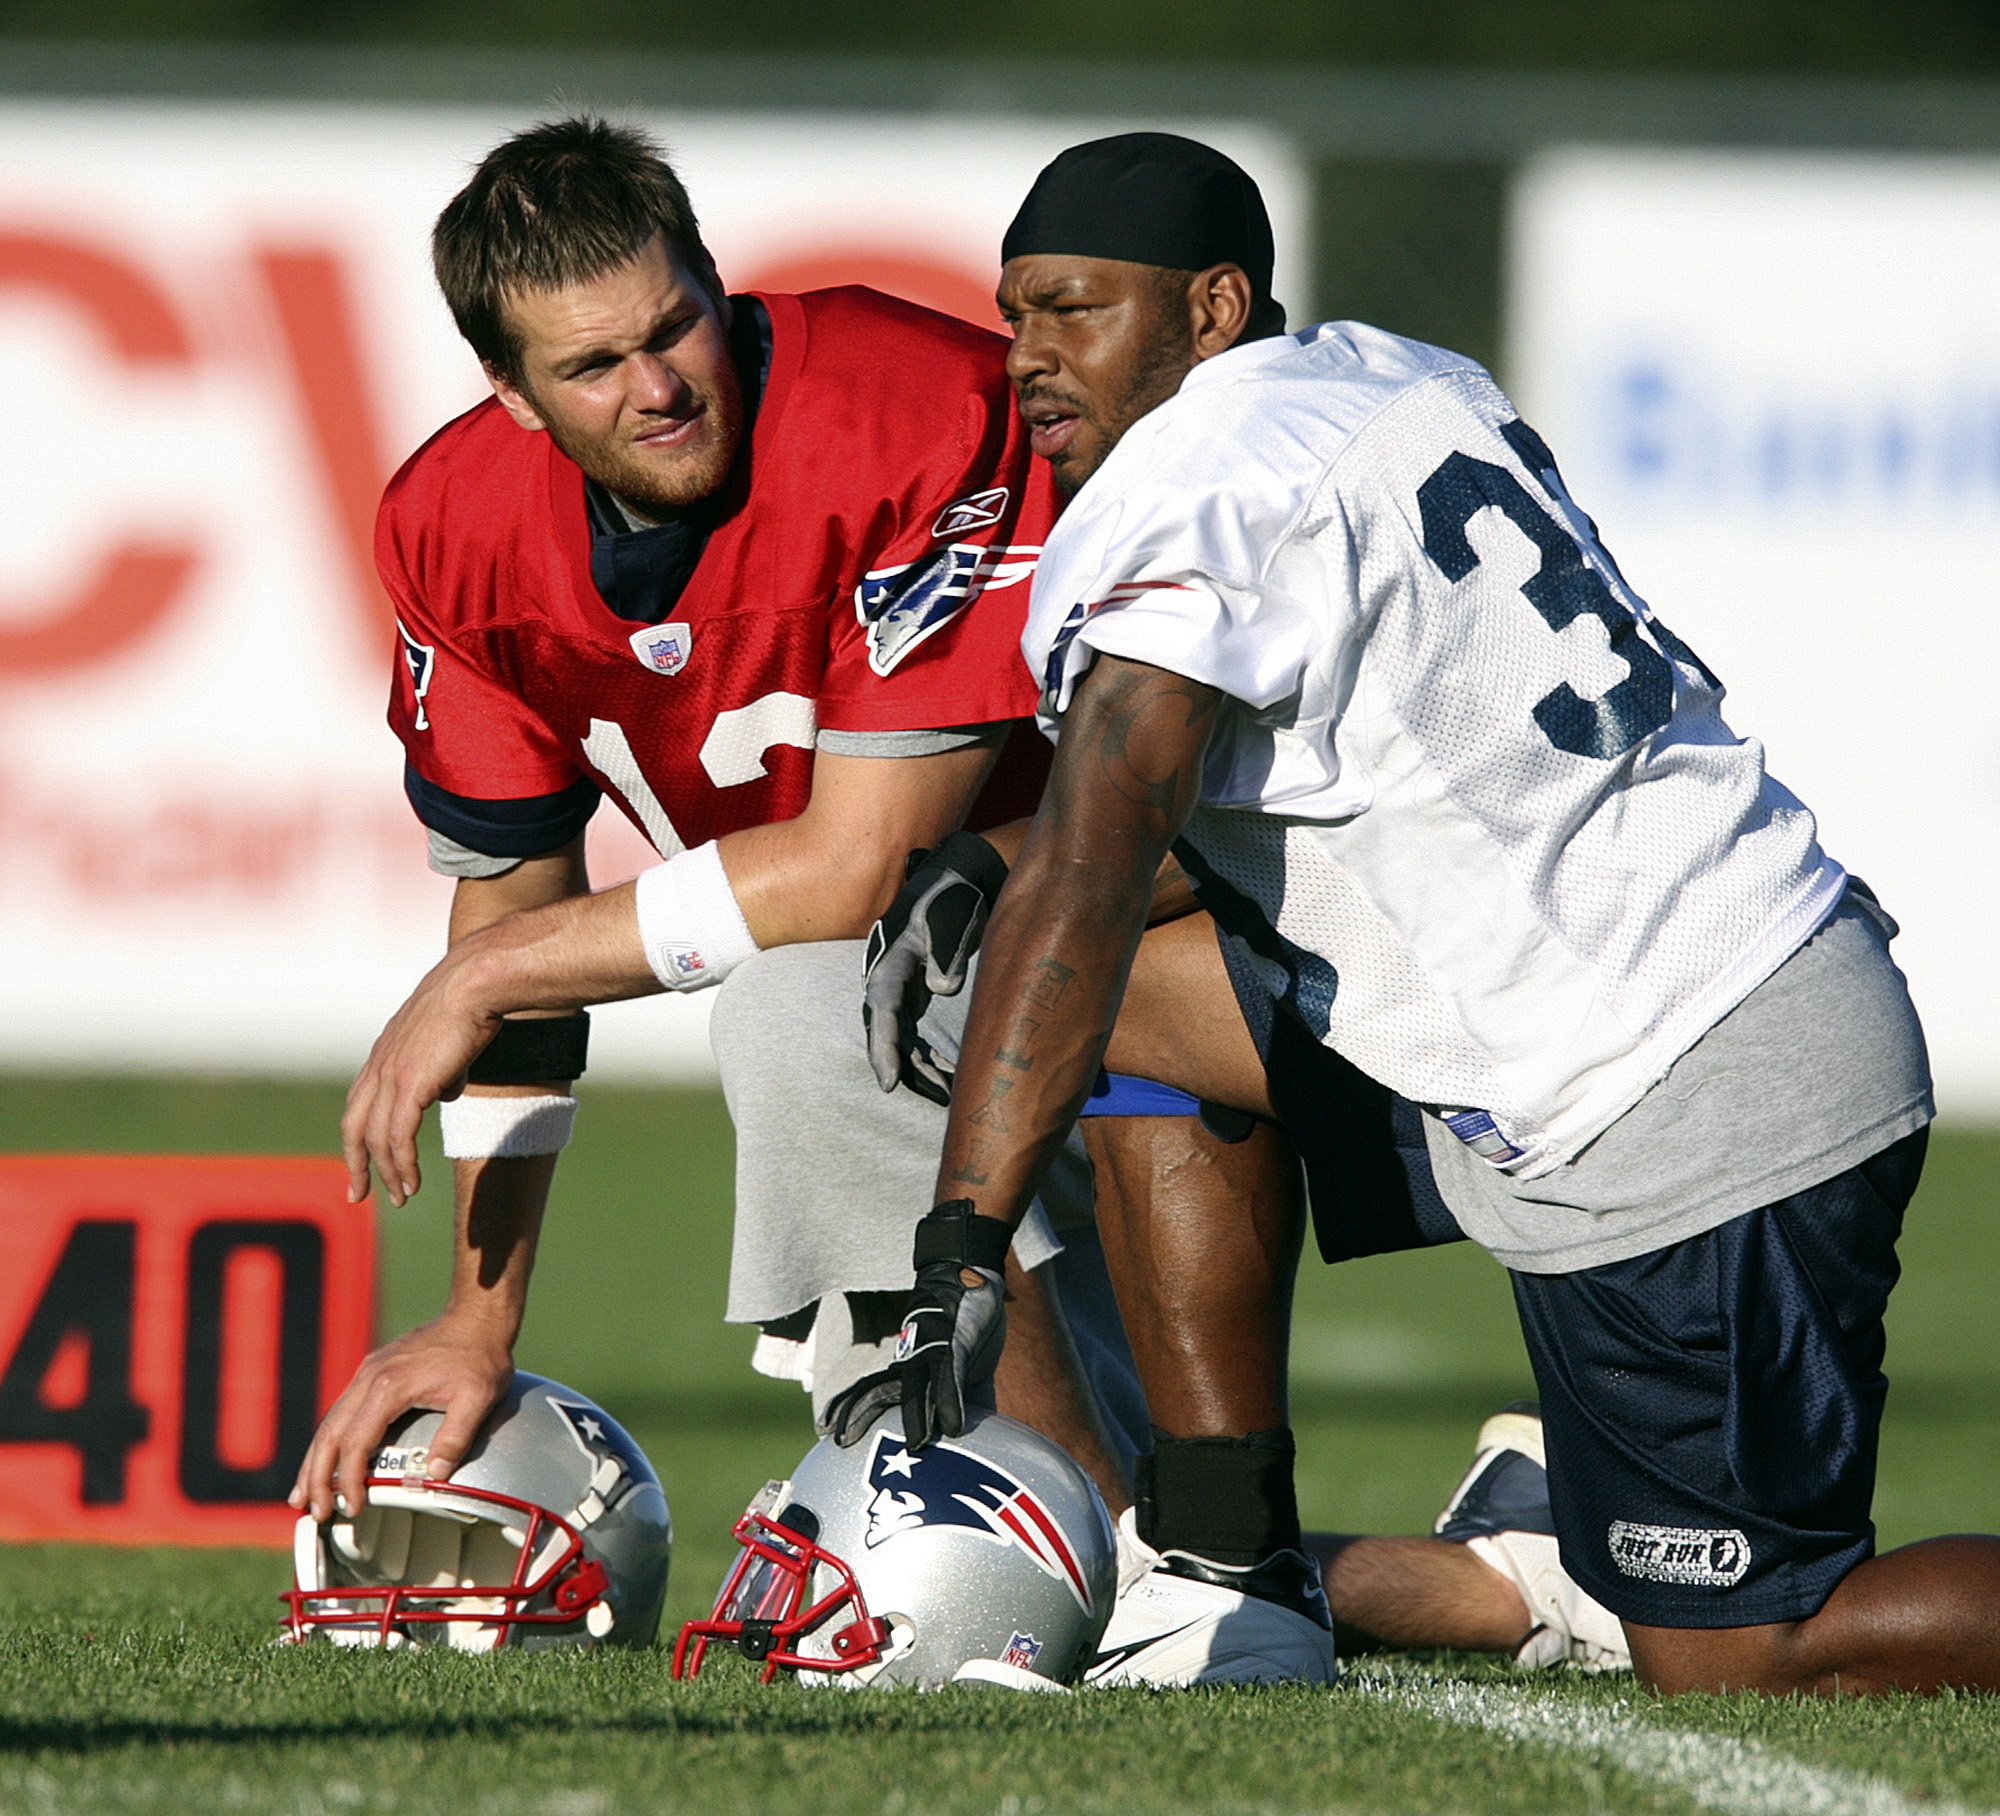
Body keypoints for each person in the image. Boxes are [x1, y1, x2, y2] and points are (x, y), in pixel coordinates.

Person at [864, 129, 1997, 1697]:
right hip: (1704, 989)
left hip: (1685, 1090)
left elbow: (1102, 854)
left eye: (1070, 309)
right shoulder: (1386, 381)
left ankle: (1388, 1563)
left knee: (1744, 1656)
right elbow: (1354, 785)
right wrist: (1001, 869)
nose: (1029, 358)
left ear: (1209, 308)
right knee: (1108, 997)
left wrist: (961, 1239)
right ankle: (1219, 1556)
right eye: (1013, 318)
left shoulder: (1191, 484)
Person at [291, 116, 1283, 1545]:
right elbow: (512, 907)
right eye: (590, 366)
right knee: (822, 1011)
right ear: (509, 394)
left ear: (715, 280)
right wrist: (475, 1317)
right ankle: (1423, 1569)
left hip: (1180, 946)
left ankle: (1093, 1553)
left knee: (809, 1008)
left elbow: (861, 865)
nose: (657, 389)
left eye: (673, 329)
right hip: (953, 994)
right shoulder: (452, 523)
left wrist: (479, 977)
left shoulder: (915, 409)